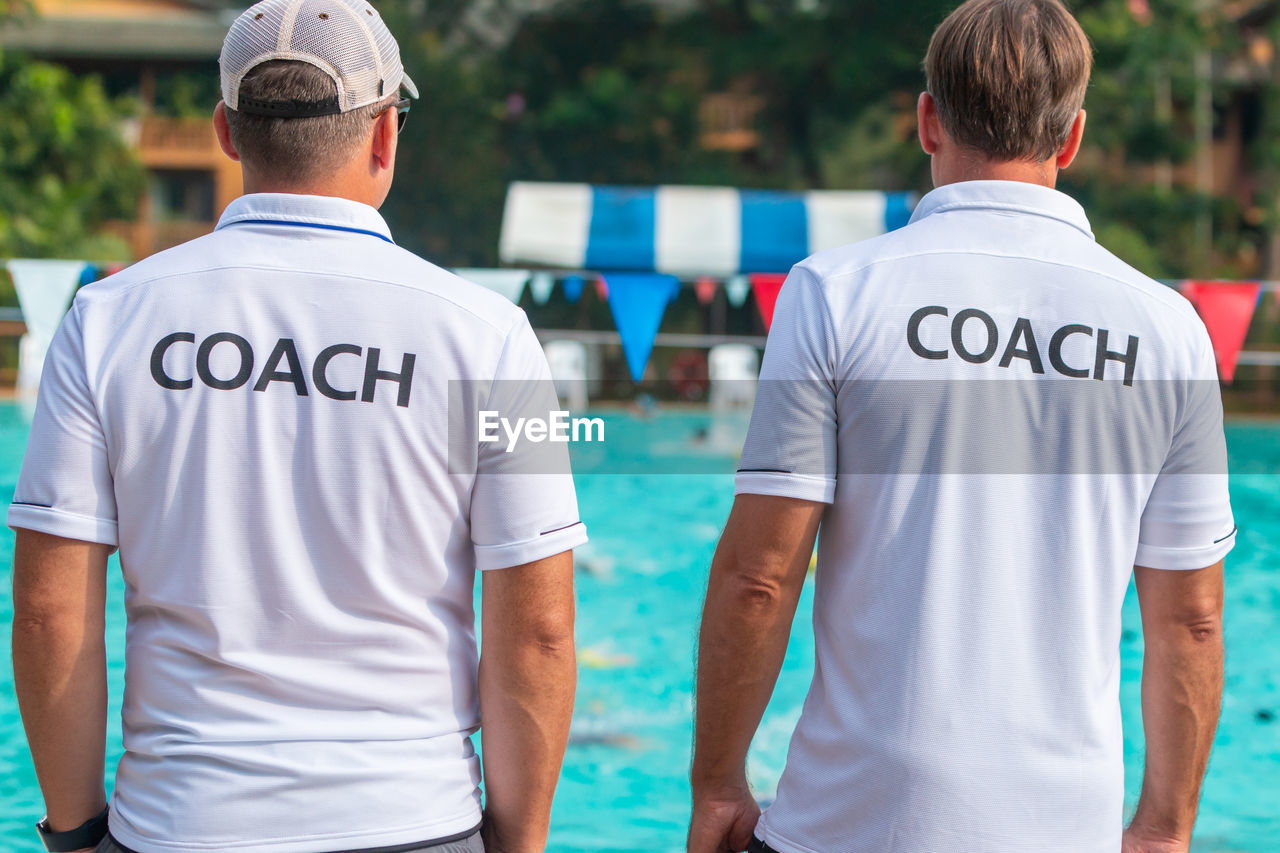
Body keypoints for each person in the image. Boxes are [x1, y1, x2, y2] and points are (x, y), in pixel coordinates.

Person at [10, 1, 585, 851]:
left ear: (226, 132)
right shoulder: (492, 332)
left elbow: (49, 612)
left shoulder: (104, 320)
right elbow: (539, 628)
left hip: (181, 819)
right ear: (386, 134)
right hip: (412, 816)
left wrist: (73, 832)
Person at [689, 1, 1235, 852]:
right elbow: (1190, 620)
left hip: (849, 821)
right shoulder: (1168, 329)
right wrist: (1165, 825)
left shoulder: (835, 293)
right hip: (1062, 827)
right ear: (1072, 139)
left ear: (928, 120)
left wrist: (717, 784)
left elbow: (763, 574)